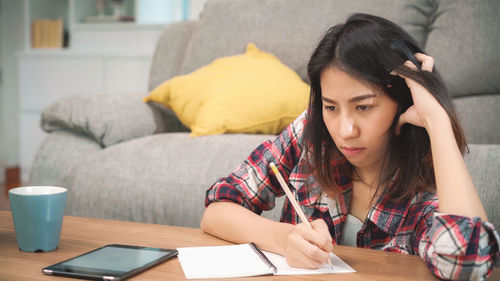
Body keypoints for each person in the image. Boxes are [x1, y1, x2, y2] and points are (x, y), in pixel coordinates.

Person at [201, 13, 499, 280]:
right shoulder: (311, 133)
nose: (345, 131)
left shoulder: (430, 185)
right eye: (331, 107)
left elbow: (468, 264)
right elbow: (218, 209)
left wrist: (436, 118)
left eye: (364, 107)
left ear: (404, 102)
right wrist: (285, 238)